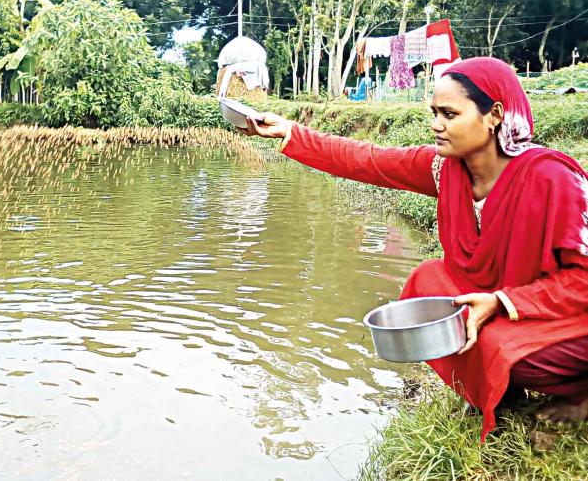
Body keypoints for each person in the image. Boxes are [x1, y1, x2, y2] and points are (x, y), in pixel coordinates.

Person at [238, 57, 588, 442]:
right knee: (429, 282)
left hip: (565, 312)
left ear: (495, 115)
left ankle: (580, 396)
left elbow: (582, 281)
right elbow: (367, 160)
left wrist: (502, 301)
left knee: (494, 343)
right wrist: (290, 131)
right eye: (434, 113)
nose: (437, 124)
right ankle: (502, 392)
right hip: (511, 300)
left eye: (449, 114)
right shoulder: (446, 168)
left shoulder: (552, 178)